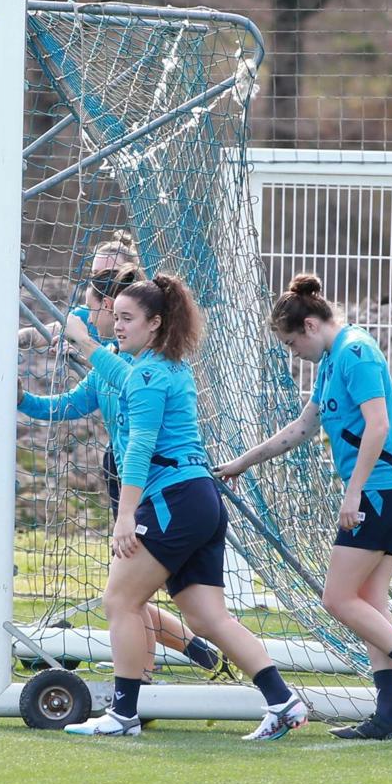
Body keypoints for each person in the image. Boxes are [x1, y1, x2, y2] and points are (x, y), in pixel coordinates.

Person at [61, 274, 308, 739]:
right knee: (205, 617)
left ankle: (123, 714)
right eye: (114, 317)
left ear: (155, 323)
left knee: (120, 600)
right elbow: (122, 378)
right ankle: (283, 700)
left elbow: (138, 450)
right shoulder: (156, 367)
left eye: (126, 319)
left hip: (174, 500)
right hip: (197, 500)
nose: (117, 326)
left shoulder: (151, 374)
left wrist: (126, 515)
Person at [215, 274, 392, 741]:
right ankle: (386, 717)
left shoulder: (355, 352)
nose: (291, 352)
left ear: (312, 325)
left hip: (381, 490)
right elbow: (301, 428)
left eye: (291, 341)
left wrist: (354, 491)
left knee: (337, 600)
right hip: (383, 490)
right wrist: (241, 463)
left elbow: (378, 427)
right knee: (372, 606)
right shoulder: (329, 361)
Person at [17, 264, 229, 680]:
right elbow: (63, 407)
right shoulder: (111, 365)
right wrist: (17, 396)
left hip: (161, 483)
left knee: (126, 595)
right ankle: (153, 671)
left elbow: (139, 398)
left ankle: (155, 674)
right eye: (112, 316)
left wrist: (86, 347)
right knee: (127, 593)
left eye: (108, 310)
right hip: (127, 477)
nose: (103, 318)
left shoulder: (144, 369)